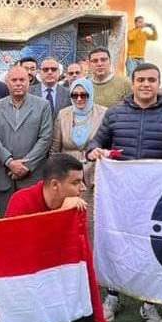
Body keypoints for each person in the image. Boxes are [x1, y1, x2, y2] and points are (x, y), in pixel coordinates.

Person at [87, 62, 162, 322]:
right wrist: (94, 152)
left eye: (151, 80)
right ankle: (113, 295)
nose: (146, 84)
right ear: (133, 83)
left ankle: (149, 302)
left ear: (159, 83)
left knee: (151, 247)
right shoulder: (115, 113)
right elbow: (95, 143)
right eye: (141, 80)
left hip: (156, 198)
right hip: (120, 197)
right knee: (117, 242)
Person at [4, 154, 113, 322]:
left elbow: (86, 270)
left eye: (82, 181)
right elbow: (18, 261)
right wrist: (60, 217)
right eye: (76, 182)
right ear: (55, 185)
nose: (82, 188)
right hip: (26, 305)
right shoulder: (21, 201)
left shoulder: (76, 209)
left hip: (62, 301)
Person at [0, 66, 53, 216]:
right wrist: (10, 162)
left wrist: (26, 165)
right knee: (5, 222)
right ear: (7, 82)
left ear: (29, 81)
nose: (18, 83)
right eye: (14, 80)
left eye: (22, 80)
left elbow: (45, 138)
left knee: (31, 223)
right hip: (4, 176)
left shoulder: (43, 106)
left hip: (32, 176)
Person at [51, 79, 107, 221]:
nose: (79, 99)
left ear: (91, 94)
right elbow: (55, 148)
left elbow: (106, 144)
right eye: (75, 95)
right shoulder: (63, 114)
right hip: (67, 176)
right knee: (67, 219)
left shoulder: (103, 113)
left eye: (84, 95)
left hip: (93, 176)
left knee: (90, 219)